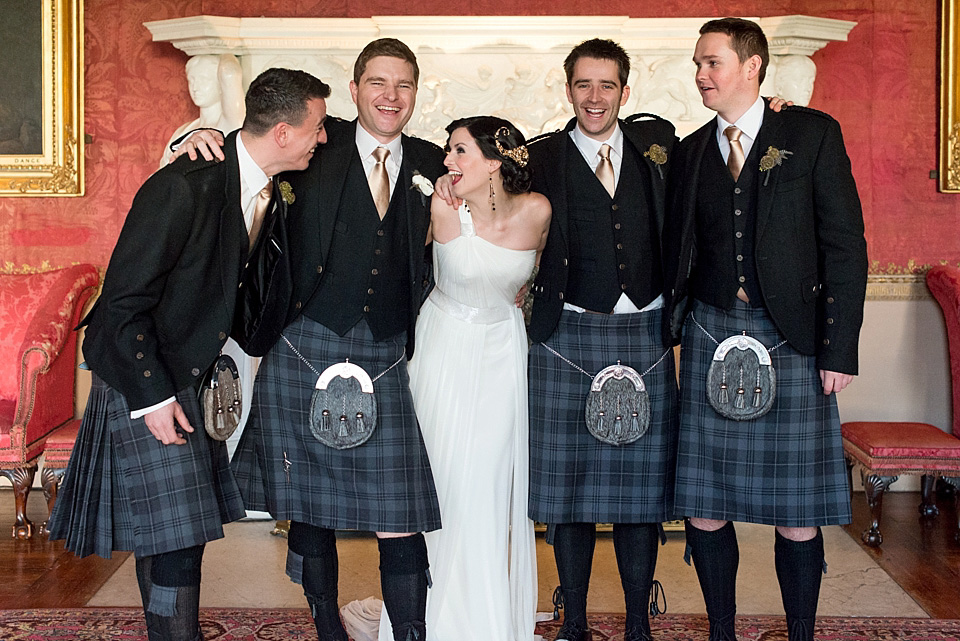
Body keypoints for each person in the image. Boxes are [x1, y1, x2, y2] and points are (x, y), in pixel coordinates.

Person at [173, 38, 447, 641]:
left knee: (401, 514)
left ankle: (410, 636)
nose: (390, 96)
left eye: (403, 85)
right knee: (312, 510)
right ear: (354, 90)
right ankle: (327, 627)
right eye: (377, 82)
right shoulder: (314, 145)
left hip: (385, 352)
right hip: (305, 342)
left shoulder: (434, 161)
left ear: (416, 93)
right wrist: (187, 141)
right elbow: (249, 147)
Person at [48, 67, 331, 641]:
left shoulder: (262, 184)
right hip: (141, 372)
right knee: (176, 540)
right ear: (282, 132)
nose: (323, 139)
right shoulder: (183, 186)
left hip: (190, 374)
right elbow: (122, 303)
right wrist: (151, 397)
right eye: (317, 128)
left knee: (173, 535)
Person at [663, 18, 867, 641]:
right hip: (709, 334)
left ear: (752, 67)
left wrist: (839, 350)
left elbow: (845, 246)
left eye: (712, 62)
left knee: (797, 511)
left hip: (794, 339)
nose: (700, 73)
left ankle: (800, 631)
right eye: (697, 63)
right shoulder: (692, 148)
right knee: (703, 503)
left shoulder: (810, 134)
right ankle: (721, 629)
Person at [524, 39, 681, 641]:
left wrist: (778, 109)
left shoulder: (659, 150)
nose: (595, 97)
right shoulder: (539, 158)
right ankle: (576, 621)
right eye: (583, 85)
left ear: (625, 91)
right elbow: (482, 193)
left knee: (642, 494)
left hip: (645, 328)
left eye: (607, 85)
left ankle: (639, 621)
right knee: (569, 493)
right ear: (567, 90)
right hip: (567, 334)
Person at [381, 116, 550, 641]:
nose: (448, 162)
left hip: (503, 351)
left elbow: (542, 275)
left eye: (459, 152)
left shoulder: (538, 210)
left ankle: (485, 620)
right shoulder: (440, 207)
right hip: (442, 349)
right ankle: (424, 620)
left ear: (495, 162)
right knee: (439, 480)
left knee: (487, 484)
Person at [160, 54, 245, 167]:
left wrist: (225, 51)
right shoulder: (182, 131)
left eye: (204, 80)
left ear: (221, 84)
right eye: (191, 80)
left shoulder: (229, 124)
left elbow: (230, 73)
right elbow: (161, 173)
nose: (195, 87)